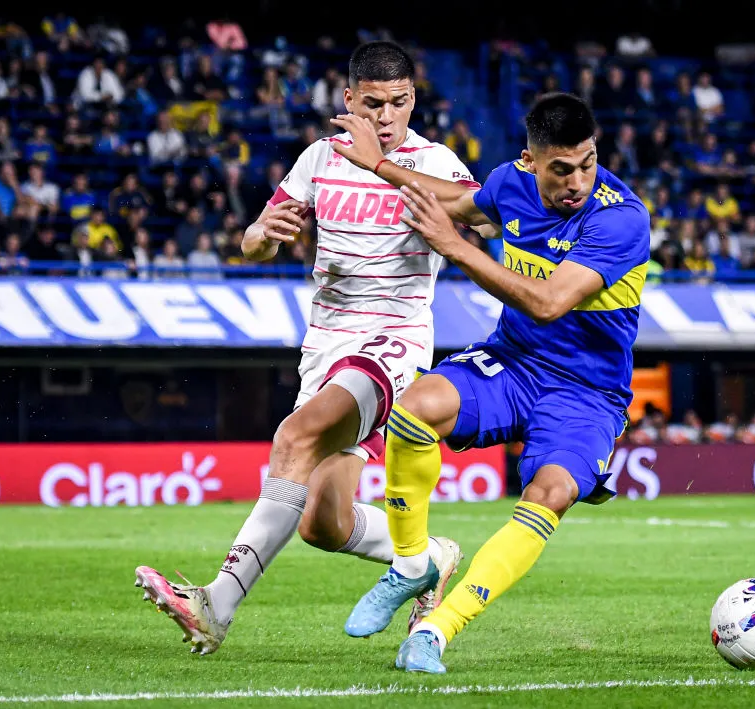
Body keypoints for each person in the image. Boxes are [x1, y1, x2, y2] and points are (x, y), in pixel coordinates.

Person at [133, 40, 483, 655]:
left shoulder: (436, 164)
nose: (385, 117)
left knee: (293, 438)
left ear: (412, 101)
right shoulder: (320, 158)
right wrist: (262, 233)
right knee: (325, 522)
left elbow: (494, 217)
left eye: (399, 103)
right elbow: (254, 243)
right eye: (372, 103)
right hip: (325, 345)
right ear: (348, 100)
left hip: (392, 342)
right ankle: (429, 555)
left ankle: (216, 603)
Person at [327, 92, 651, 673]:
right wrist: (378, 164)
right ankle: (410, 565)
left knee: (550, 492)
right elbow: (456, 200)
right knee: (415, 406)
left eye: (588, 162)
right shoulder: (510, 184)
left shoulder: (620, 217)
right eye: (561, 168)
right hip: (516, 362)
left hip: (587, 393)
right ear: (530, 161)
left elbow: (549, 302)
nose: (577, 180)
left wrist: (455, 248)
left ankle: (435, 630)